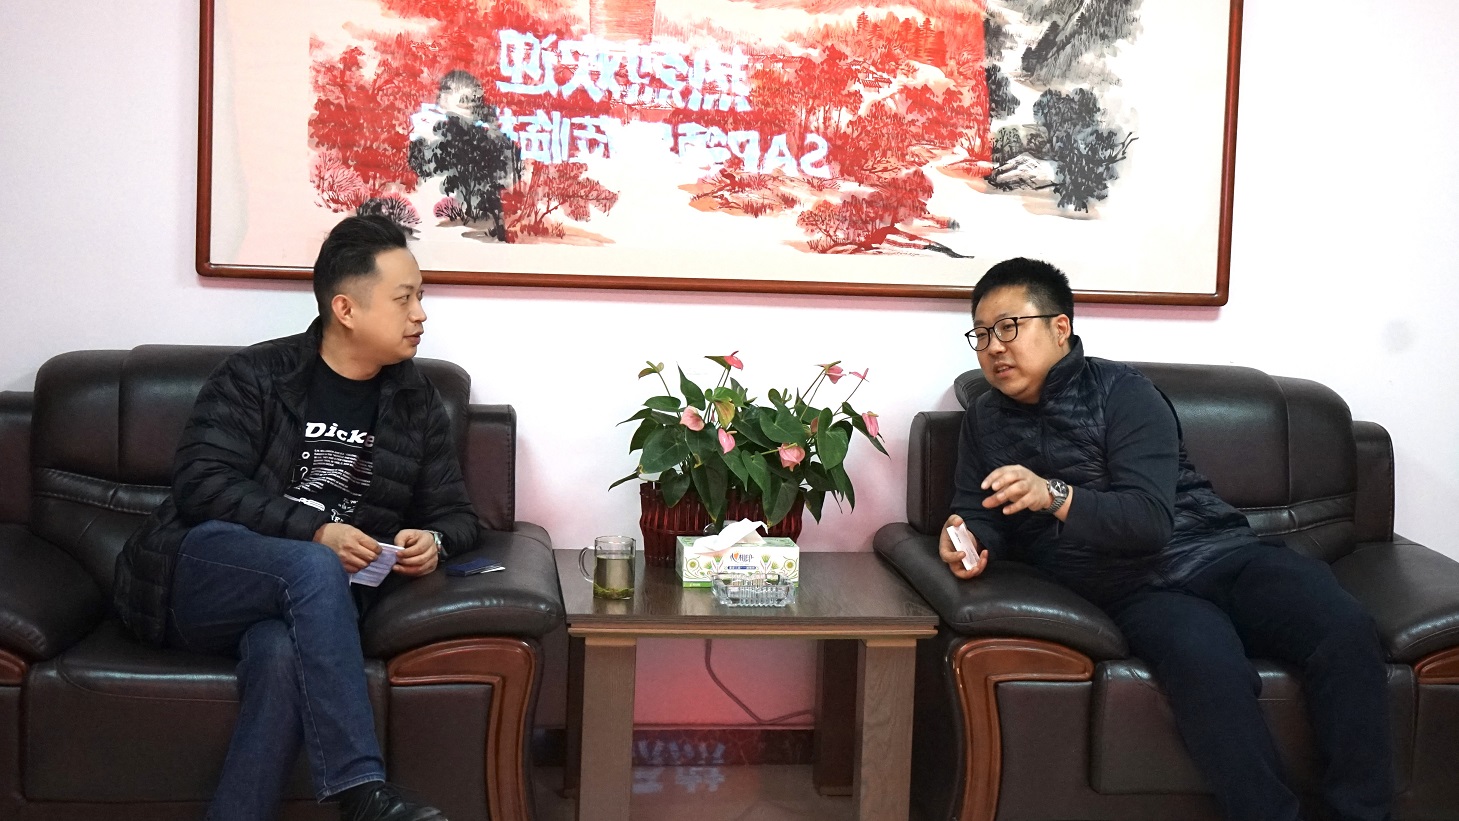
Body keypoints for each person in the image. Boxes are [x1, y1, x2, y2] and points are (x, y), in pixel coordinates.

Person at [938, 258, 1392, 821]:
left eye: (1009, 327)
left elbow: (1149, 520)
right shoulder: (984, 420)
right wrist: (967, 539)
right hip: (1133, 590)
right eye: (981, 334)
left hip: (1220, 554)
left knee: (1342, 626)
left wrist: (1052, 494)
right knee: (1206, 665)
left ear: (1060, 328)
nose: (994, 348)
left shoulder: (1124, 392)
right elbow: (976, 508)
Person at [113, 214, 478, 821]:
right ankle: (361, 791)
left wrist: (434, 540)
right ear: (346, 308)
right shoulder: (258, 376)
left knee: (282, 653)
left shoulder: (416, 402)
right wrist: (314, 530)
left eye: (421, 296)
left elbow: (458, 514)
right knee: (313, 564)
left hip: (304, 607)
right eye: (404, 298)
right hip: (197, 575)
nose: (421, 313)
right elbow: (202, 484)